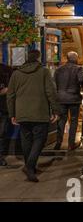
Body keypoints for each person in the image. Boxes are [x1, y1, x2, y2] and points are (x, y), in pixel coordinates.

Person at [6, 50, 61, 182]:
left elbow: (10, 95)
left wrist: (12, 114)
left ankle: (30, 167)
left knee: (26, 141)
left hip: (22, 113)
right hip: (39, 112)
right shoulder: (44, 72)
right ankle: (30, 167)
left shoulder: (16, 74)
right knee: (40, 140)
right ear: (38, 58)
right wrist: (56, 110)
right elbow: (50, 92)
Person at [54, 52, 83, 151]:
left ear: (67, 58)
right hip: (74, 98)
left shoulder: (58, 69)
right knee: (74, 120)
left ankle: (58, 142)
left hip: (61, 98)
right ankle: (71, 144)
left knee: (61, 120)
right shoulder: (78, 68)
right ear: (75, 58)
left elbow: (55, 83)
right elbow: (81, 80)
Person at [0, 62, 13, 166]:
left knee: (2, 133)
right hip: (4, 106)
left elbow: (12, 87)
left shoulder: (7, 69)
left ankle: (0, 157)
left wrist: (8, 89)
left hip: (4, 107)